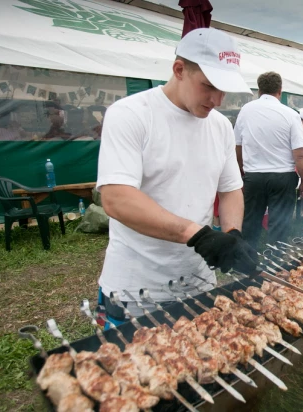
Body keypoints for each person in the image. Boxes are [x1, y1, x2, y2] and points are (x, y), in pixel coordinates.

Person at [96, 28, 258, 322]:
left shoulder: (220, 126)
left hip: (199, 283)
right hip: (137, 288)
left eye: (225, 90)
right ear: (179, 69)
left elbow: (231, 188)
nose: (218, 99)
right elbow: (117, 199)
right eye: (209, 86)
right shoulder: (131, 113)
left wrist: (232, 233)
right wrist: (196, 235)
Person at [234, 71, 303, 248]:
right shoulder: (290, 114)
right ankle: (275, 265)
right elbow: (300, 154)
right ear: (280, 90)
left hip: (254, 176)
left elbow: (237, 147)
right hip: (282, 178)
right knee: (279, 225)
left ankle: (247, 264)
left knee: (250, 222)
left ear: (259, 90)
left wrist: (241, 171)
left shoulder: (245, 111)